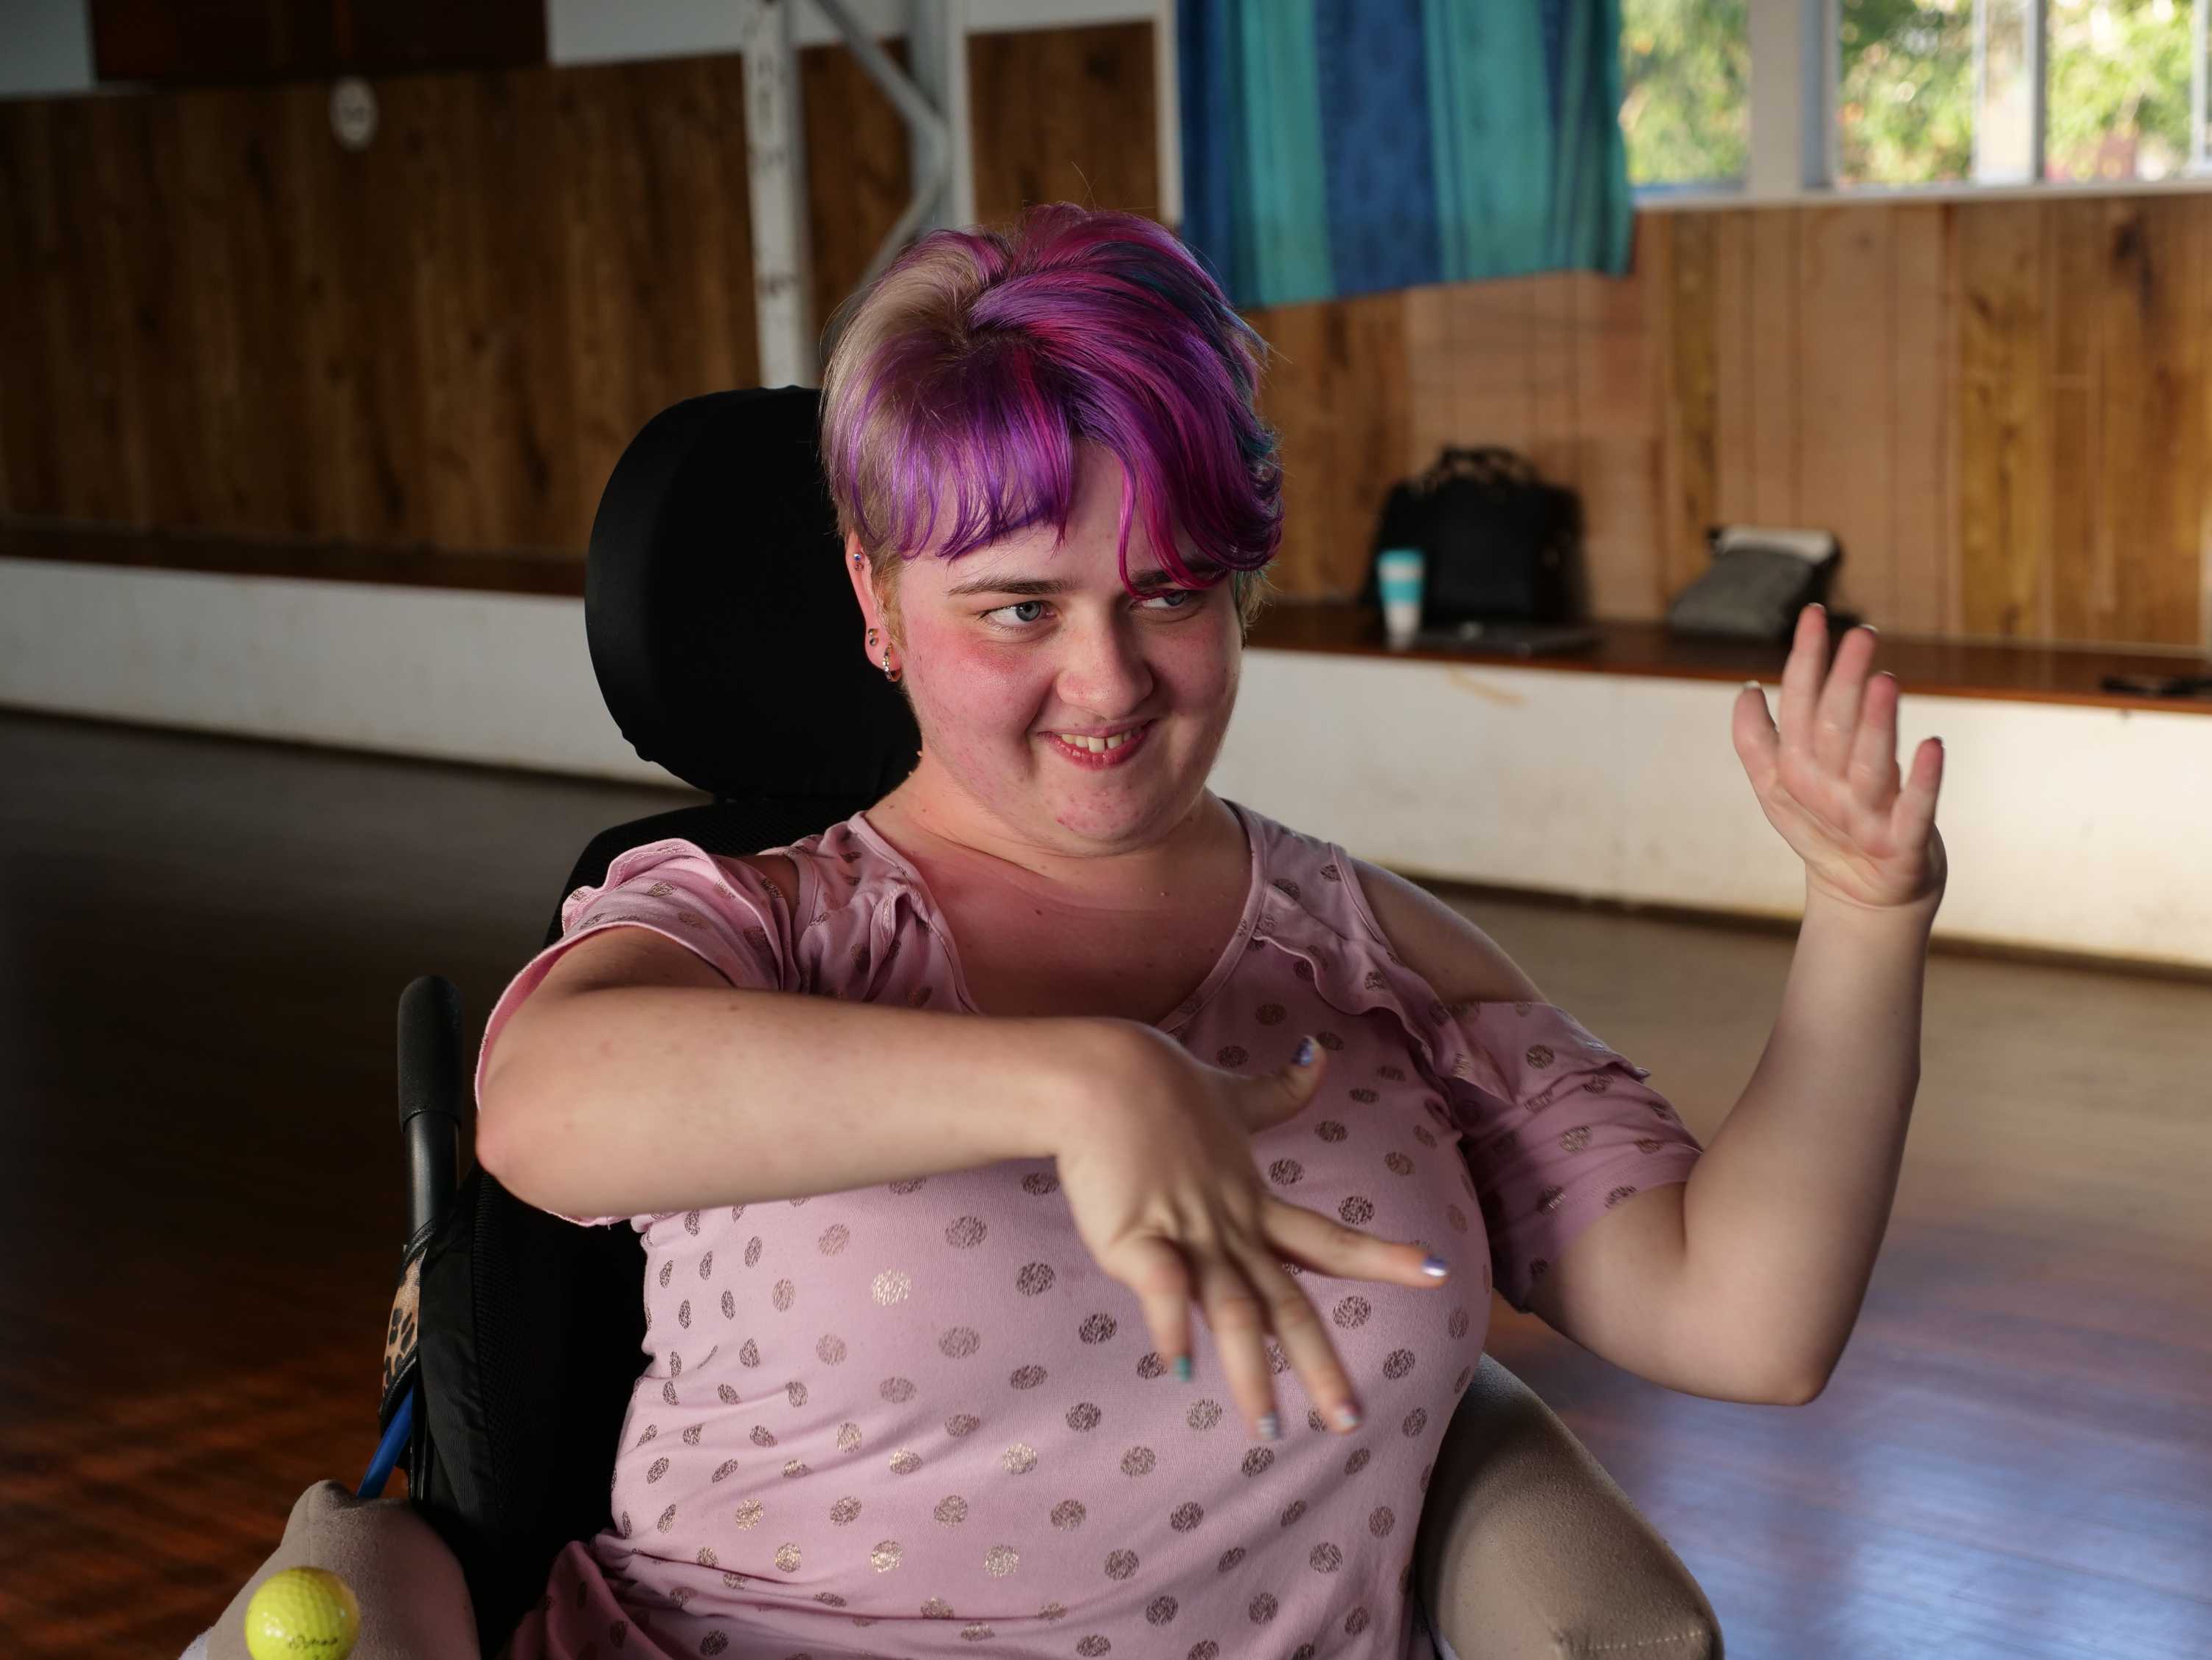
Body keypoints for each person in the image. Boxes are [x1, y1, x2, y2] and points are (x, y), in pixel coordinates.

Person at [473, 205, 1944, 1660]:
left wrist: (1867, 918)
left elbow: (1747, 1318)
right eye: (1018, 609)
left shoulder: (1367, 958)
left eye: (1166, 593)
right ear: (877, 601)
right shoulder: (762, 924)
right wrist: (1091, 1082)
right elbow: (543, 1105)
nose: (1106, 682)